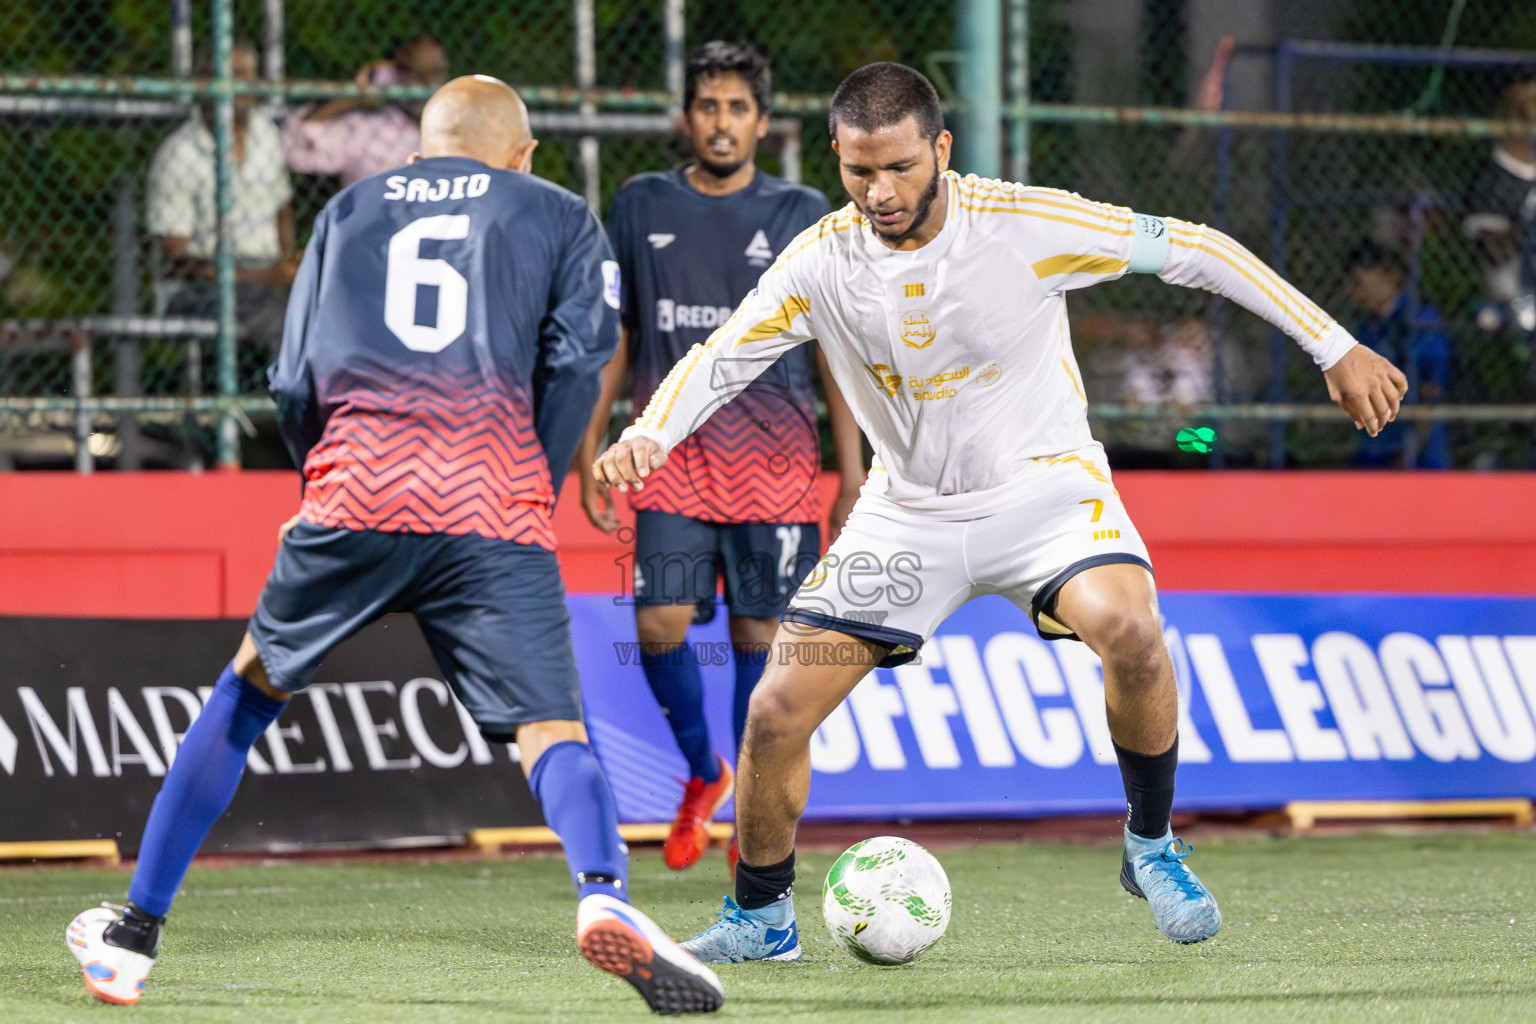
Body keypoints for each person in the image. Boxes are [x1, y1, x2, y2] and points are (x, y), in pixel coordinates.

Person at [595, 62, 1407, 961]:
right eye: (860, 171)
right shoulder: (822, 258)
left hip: (1046, 496)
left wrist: (1334, 345)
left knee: (1132, 632)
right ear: (837, 155)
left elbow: (1199, 248)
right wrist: (652, 435)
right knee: (777, 711)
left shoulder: (1023, 221)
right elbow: (722, 355)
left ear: (940, 148)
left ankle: (1150, 845)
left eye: (901, 167)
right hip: (906, 517)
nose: (881, 191)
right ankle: (763, 917)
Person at [66, 75, 723, 1016]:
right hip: (490, 493)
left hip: (359, 485)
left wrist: (314, 485)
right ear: (522, 153)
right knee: (552, 731)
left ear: (417, 152)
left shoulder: (346, 209)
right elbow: (580, 358)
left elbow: (294, 378)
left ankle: (134, 936)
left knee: (249, 690)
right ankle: (603, 896)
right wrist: (530, 477)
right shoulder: (558, 211)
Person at [577, 41, 862, 874]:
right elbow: (619, 339)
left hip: (775, 467)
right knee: (658, 626)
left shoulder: (802, 210)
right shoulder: (640, 203)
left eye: (739, 108)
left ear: (763, 124)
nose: (722, 121)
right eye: (708, 106)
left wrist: (850, 471)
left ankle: (748, 804)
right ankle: (703, 772)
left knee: (758, 634)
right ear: (685, 117)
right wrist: (591, 445)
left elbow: (833, 347)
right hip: (668, 457)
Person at [146, 41, 297, 355]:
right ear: (203, 83)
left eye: (245, 74)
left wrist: (289, 262)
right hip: (199, 288)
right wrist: (260, 276)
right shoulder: (180, 153)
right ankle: (274, 401)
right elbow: (179, 260)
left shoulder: (265, 133)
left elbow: (282, 206)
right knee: (279, 312)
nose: (238, 84)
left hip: (267, 276)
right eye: (228, 74)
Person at [283, 34, 450, 187]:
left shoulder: (455, 126)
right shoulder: (365, 128)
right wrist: (352, 97)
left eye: (436, 72)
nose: (428, 84)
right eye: (419, 73)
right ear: (398, 73)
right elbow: (300, 144)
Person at [1344, 241, 1451, 468]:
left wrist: (1407, 457)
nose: (1355, 292)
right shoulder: (1366, 328)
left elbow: (1431, 392)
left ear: (1389, 276)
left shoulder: (1420, 322)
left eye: (1359, 283)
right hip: (1373, 451)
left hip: (1417, 458)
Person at [1463, 68, 1536, 336]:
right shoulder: (1489, 179)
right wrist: (1525, 224)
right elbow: (1493, 250)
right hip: (1516, 297)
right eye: (1532, 102)